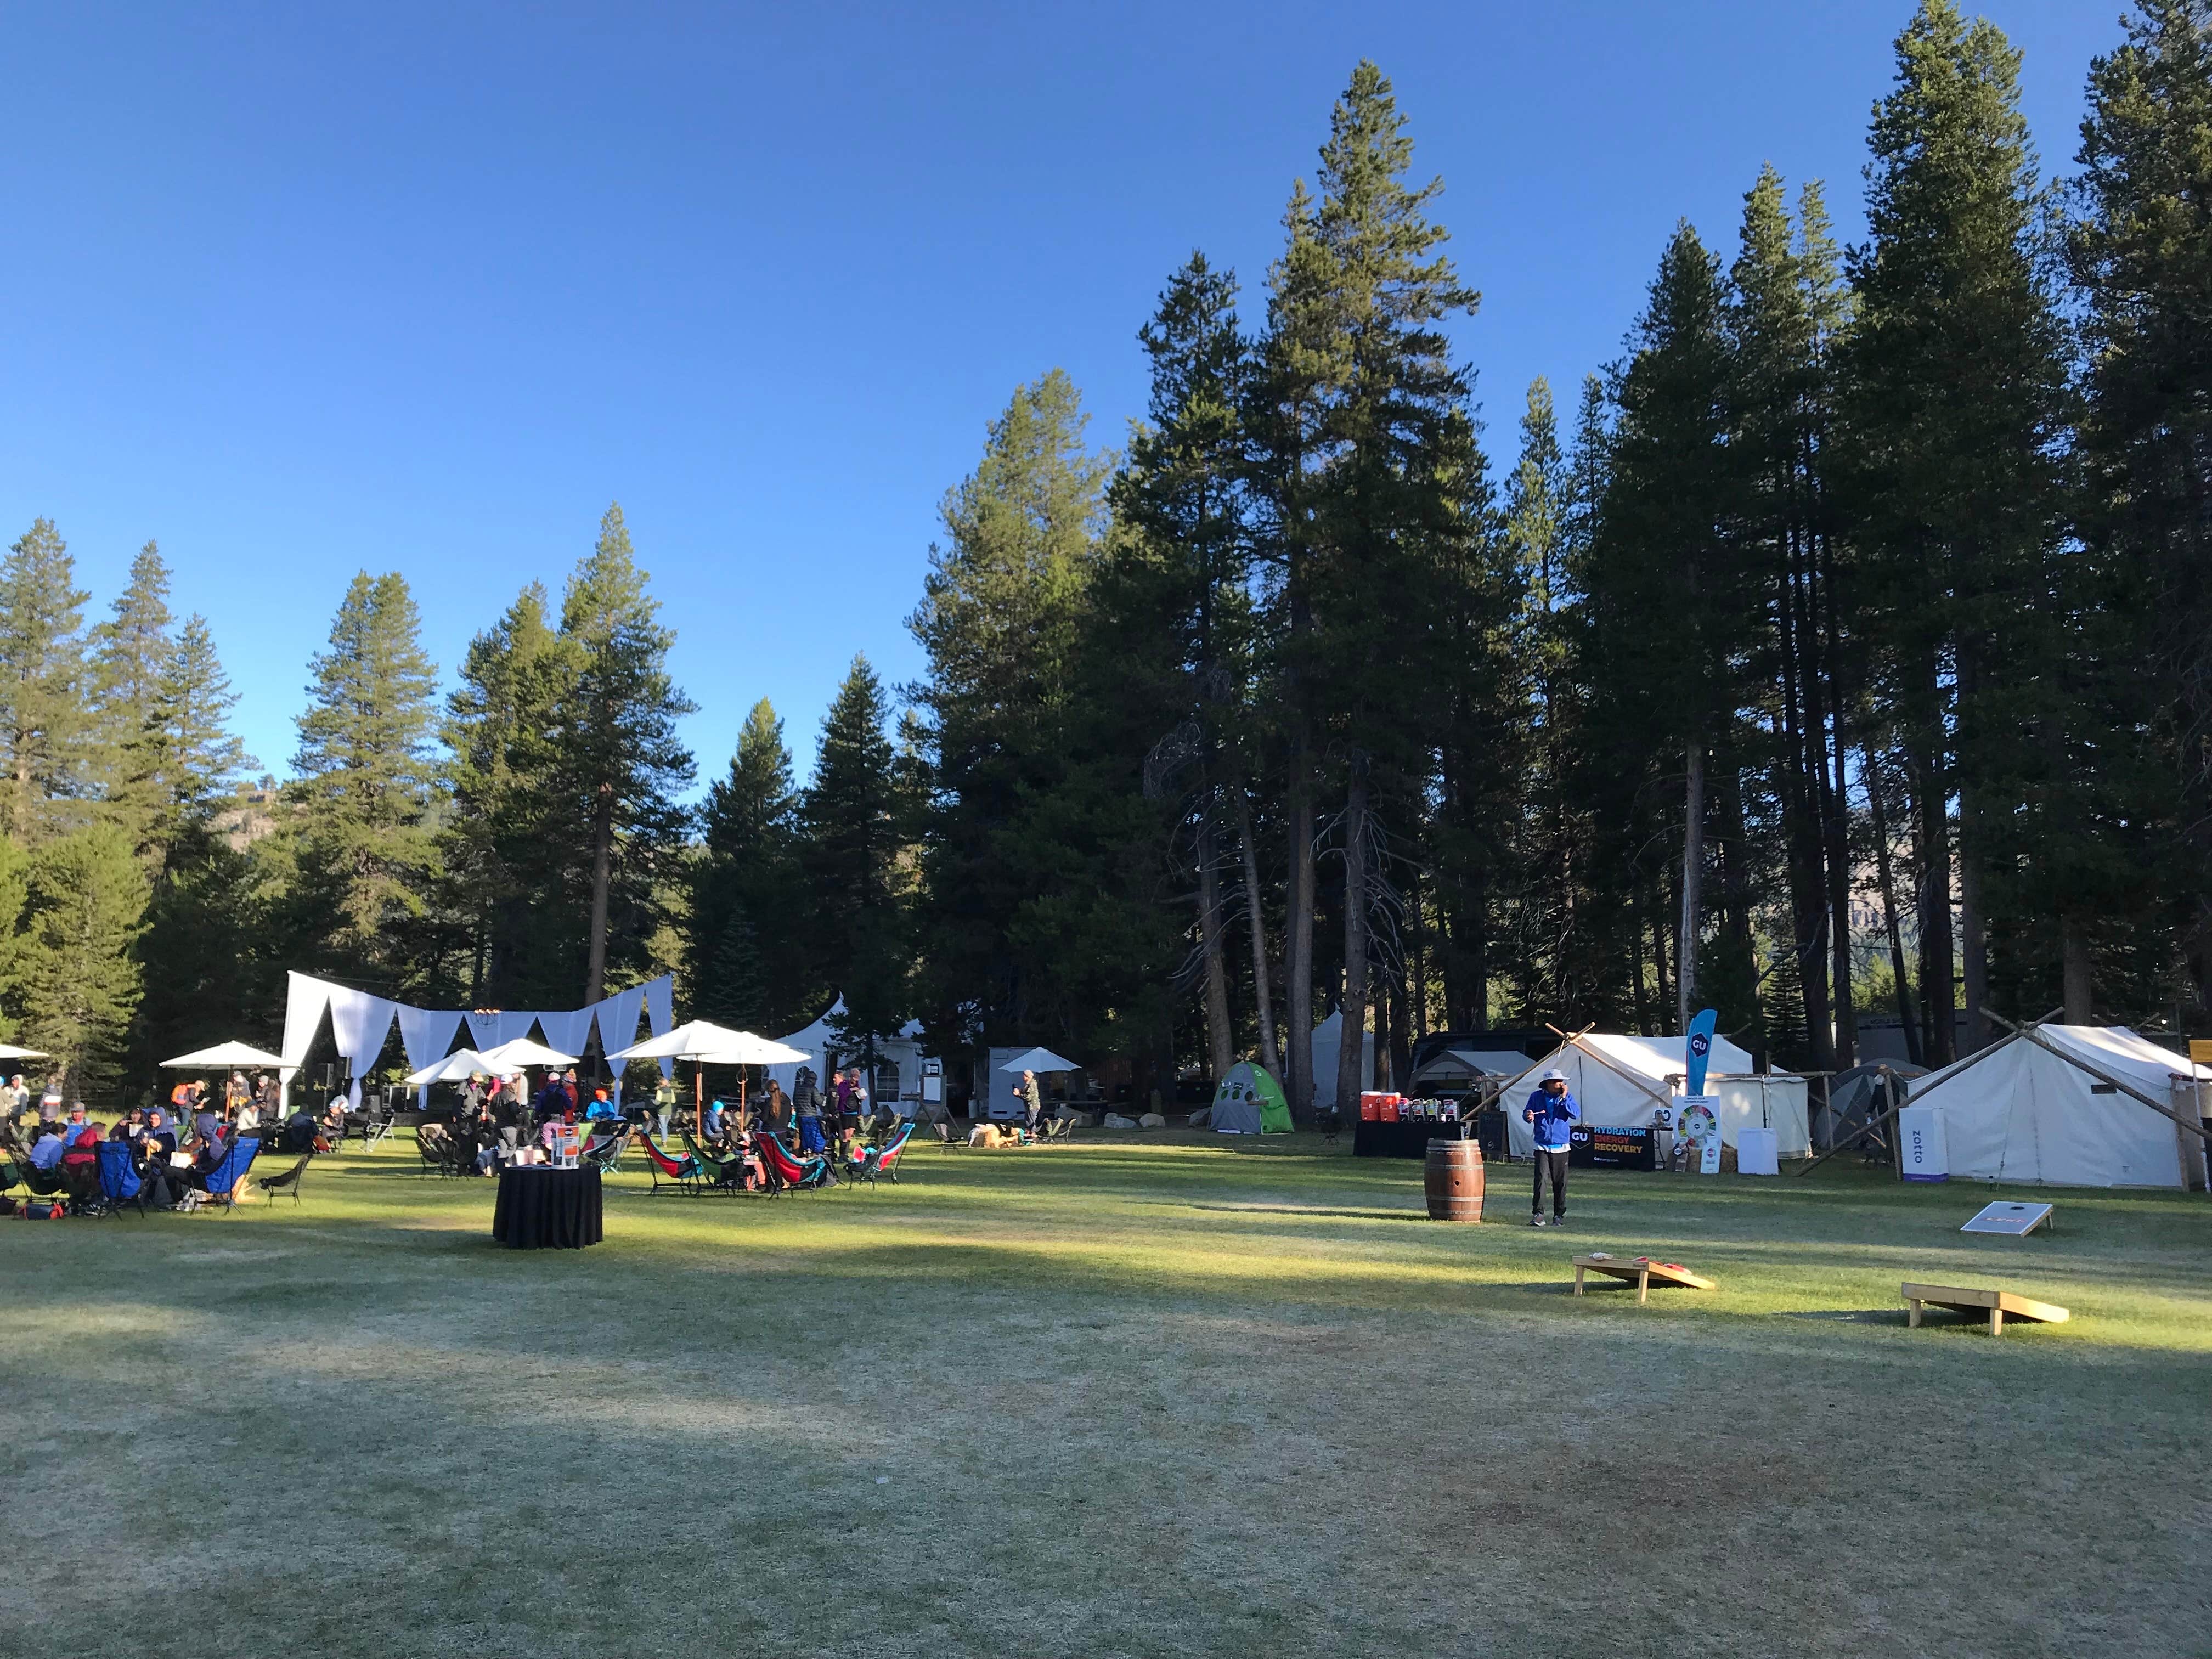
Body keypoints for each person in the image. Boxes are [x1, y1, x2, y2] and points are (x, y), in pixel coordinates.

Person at [1522, 1068, 1578, 1227]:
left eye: (1561, 1081)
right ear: (1548, 1084)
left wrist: (1564, 1098)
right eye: (1557, 1081)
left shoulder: (1567, 1097)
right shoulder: (1536, 1097)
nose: (1561, 1084)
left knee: (1560, 1183)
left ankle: (1559, 1216)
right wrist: (1528, 1116)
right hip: (1542, 1145)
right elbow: (1527, 1113)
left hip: (1561, 1147)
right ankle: (1538, 1214)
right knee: (1540, 1180)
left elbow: (1575, 1114)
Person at [1020, 1069, 1043, 1136]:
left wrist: (1019, 1095)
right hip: (1029, 1106)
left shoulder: (1032, 1084)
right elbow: (1026, 1093)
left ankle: (1032, 1135)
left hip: (1033, 1106)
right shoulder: (1029, 1084)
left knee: (1031, 1121)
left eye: (1024, 1075)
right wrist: (1020, 1091)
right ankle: (1029, 1134)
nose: (1023, 1077)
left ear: (1028, 1076)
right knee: (1028, 1121)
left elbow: (1028, 1097)